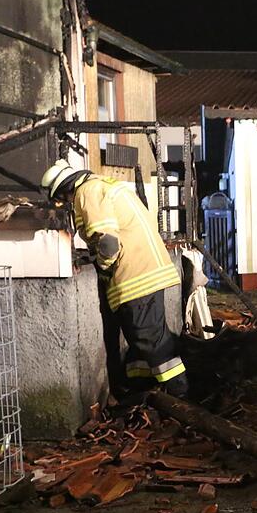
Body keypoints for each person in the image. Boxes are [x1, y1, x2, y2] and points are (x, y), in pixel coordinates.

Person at [40, 159, 189, 398]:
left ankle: (180, 393)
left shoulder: (86, 193)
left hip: (136, 277)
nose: (67, 204)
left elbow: (109, 243)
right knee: (137, 338)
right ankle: (142, 391)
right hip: (148, 269)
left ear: (66, 191)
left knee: (149, 337)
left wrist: (103, 267)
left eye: (63, 200)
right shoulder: (103, 185)